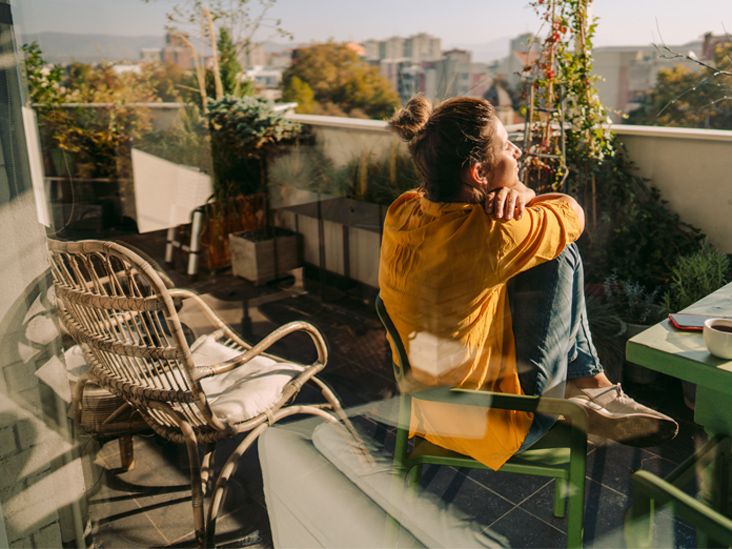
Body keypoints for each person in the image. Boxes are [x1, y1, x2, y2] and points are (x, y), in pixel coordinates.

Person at [378, 95, 678, 470]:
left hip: (425, 411)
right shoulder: (492, 235)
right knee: (559, 252)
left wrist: (517, 192)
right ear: (478, 174)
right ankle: (589, 386)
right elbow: (573, 214)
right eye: (506, 146)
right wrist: (524, 194)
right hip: (495, 421)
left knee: (533, 255)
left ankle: (590, 387)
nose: (516, 151)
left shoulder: (402, 210)